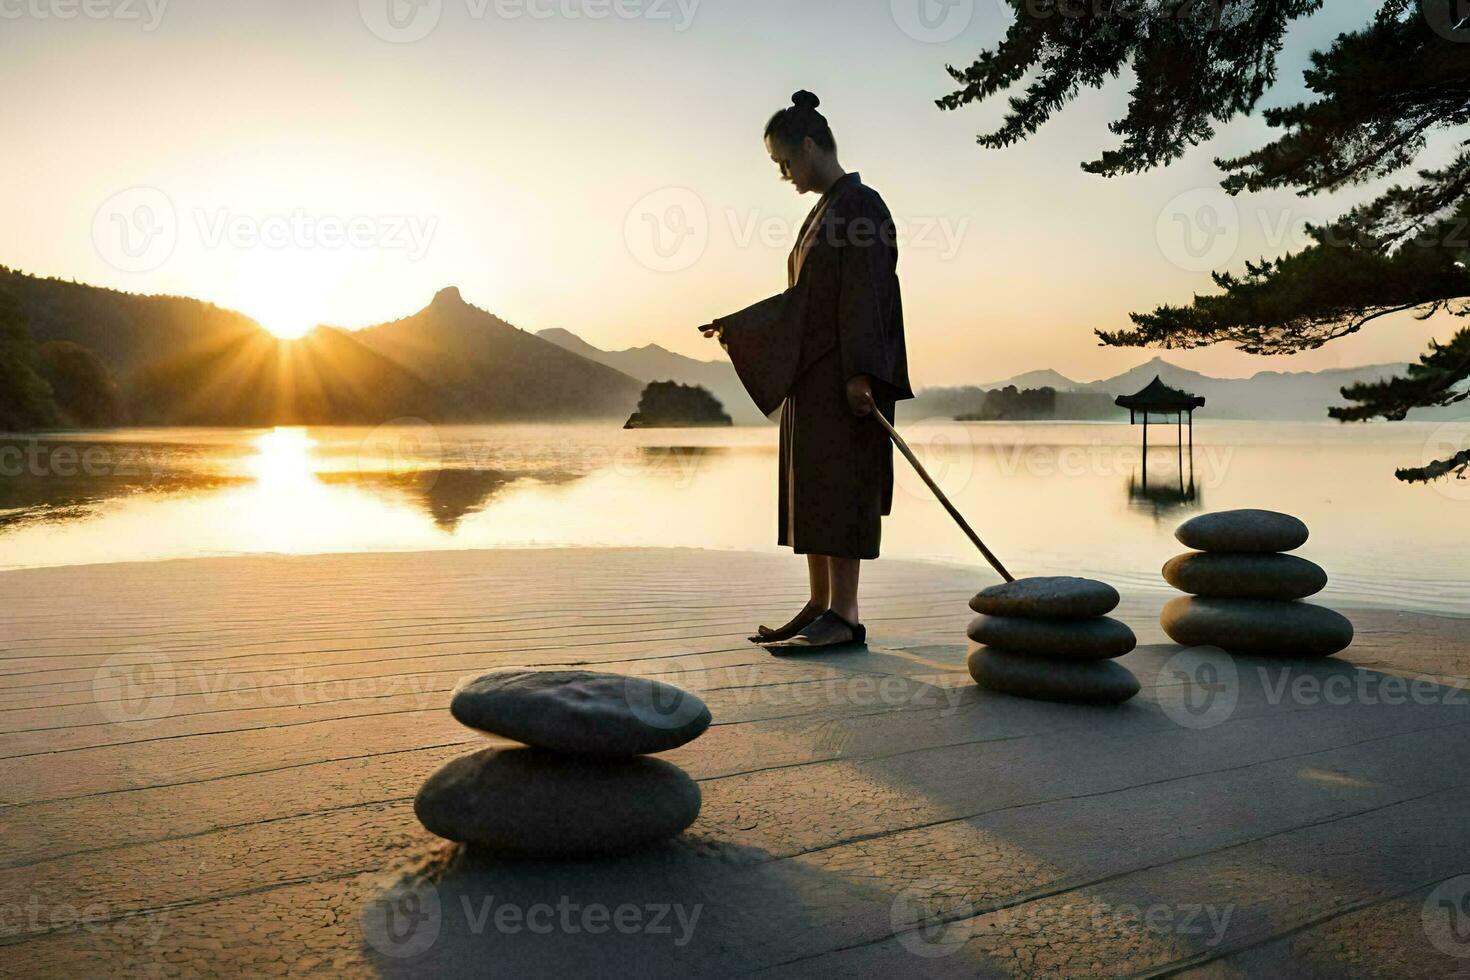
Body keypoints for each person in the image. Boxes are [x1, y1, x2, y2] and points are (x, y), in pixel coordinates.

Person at [699, 90, 913, 650]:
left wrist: (863, 372)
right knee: (815, 488)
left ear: (811, 146)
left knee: (842, 487)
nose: (784, 174)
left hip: (846, 380)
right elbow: (804, 302)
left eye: (785, 162)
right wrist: (743, 327)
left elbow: (869, 293)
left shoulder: (860, 205)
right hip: (812, 379)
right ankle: (819, 603)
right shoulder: (823, 213)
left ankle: (845, 615)